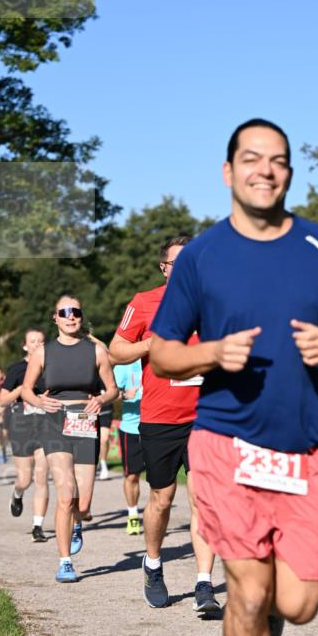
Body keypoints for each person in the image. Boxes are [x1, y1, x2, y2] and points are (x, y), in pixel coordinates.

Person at [149, 118, 318, 636]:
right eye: (251, 159)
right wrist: (210, 353)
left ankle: (258, 628)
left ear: (289, 173)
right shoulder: (201, 258)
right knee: (246, 593)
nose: (264, 170)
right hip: (225, 443)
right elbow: (161, 354)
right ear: (228, 172)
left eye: (277, 161)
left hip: (304, 449)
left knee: (296, 604)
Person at [109, 237, 219, 616]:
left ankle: (204, 583)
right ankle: (153, 564)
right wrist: (149, 345)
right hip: (160, 417)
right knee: (163, 498)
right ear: (165, 268)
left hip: (207, 417)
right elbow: (116, 350)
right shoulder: (144, 302)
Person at [21, 295, 118, 583]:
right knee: (66, 494)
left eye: (75, 311)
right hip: (54, 422)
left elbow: (113, 389)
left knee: (83, 504)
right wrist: (39, 402)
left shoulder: (97, 351)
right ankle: (65, 562)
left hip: (86, 423)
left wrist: (101, 398)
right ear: (55, 318)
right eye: (64, 312)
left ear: (80, 316)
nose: (70, 316)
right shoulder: (43, 353)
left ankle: (77, 524)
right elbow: (26, 389)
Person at [0, 329, 50, 542]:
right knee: (25, 479)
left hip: (46, 424)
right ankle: (17, 493)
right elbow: (2, 400)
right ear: (25, 346)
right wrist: (21, 390)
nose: (37, 344)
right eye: (32, 341)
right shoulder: (17, 369)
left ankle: (38, 526)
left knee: (42, 477)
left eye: (40, 341)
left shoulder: (52, 368)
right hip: (21, 425)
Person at [113, 358, 144, 535]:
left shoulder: (160, 358)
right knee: (132, 476)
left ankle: (159, 515)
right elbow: (110, 393)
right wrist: (125, 394)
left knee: (160, 480)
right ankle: (133, 514)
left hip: (157, 426)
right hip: (131, 428)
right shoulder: (125, 365)